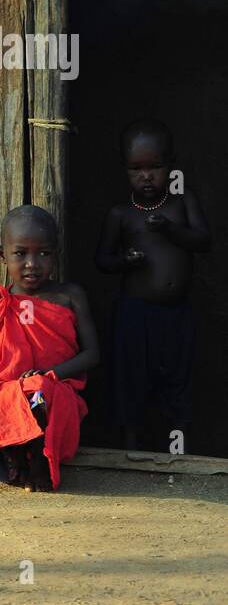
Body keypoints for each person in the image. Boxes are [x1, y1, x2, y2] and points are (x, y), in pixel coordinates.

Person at [94, 119, 211, 451]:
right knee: (132, 377)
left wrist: (171, 230)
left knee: (179, 378)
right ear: (125, 170)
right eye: (136, 169)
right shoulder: (121, 214)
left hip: (177, 314)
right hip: (134, 314)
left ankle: (179, 451)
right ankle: (131, 451)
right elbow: (101, 260)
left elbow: (204, 241)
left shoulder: (182, 202)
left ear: (171, 164)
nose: (147, 176)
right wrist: (126, 261)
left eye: (156, 167)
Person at [0, 205, 98, 491]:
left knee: (38, 395)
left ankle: (38, 457)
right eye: (20, 253)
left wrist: (50, 373)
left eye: (43, 253)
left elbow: (92, 354)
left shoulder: (69, 296)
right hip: (8, 390)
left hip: (53, 389)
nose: (32, 263)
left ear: (55, 253)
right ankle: (14, 454)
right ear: (2, 255)